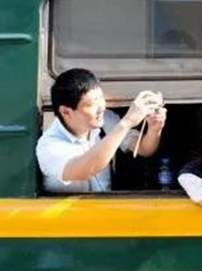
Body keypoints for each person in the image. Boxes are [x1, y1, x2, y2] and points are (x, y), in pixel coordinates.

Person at [36, 68, 166, 193]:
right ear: (66, 112)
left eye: (101, 99)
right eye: (92, 104)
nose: (101, 108)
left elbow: (144, 149)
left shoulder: (105, 119)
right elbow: (86, 170)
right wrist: (126, 122)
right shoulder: (49, 146)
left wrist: (154, 129)